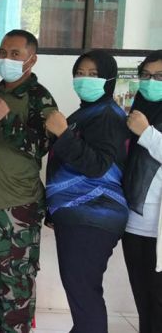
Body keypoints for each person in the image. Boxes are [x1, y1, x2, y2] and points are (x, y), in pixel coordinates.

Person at [0, 30, 58, 333]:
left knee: (15, 279)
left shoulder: (39, 96)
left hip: (19, 204)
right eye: (3, 52)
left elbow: (41, 145)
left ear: (32, 59)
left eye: (15, 54)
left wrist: (8, 120)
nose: (6, 59)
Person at [44, 50, 128, 333]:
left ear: (109, 79)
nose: (84, 79)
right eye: (80, 73)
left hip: (93, 213)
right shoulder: (89, 112)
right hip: (80, 214)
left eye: (93, 74)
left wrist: (63, 134)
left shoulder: (108, 115)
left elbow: (97, 166)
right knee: (81, 289)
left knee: (83, 291)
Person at [123, 50, 162, 333]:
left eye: (159, 76)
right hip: (134, 224)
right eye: (146, 76)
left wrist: (147, 133)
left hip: (159, 229)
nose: (151, 82)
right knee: (144, 300)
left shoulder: (142, 124)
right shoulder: (136, 113)